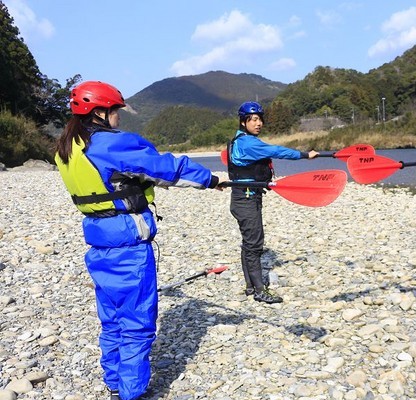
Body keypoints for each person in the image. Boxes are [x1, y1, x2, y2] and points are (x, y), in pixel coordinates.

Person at [54, 81, 221, 400]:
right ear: (100, 112)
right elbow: (167, 169)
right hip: (129, 248)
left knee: (112, 319)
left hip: (99, 247)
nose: (118, 118)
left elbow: (121, 180)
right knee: (136, 323)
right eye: (116, 111)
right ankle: (131, 394)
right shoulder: (112, 144)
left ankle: (115, 382)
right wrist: (212, 180)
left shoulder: (68, 149)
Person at [227, 101, 319, 304]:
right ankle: (260, 291)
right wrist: (305, 155)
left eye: (260, 119)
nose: (258, 123)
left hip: (246, 196)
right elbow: (277, 151)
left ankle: (251, 287)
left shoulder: (240, 140)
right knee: (254, 244)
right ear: (243, 122)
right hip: (246, 199)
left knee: (249, 243)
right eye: (253, 120)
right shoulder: (248, 144)